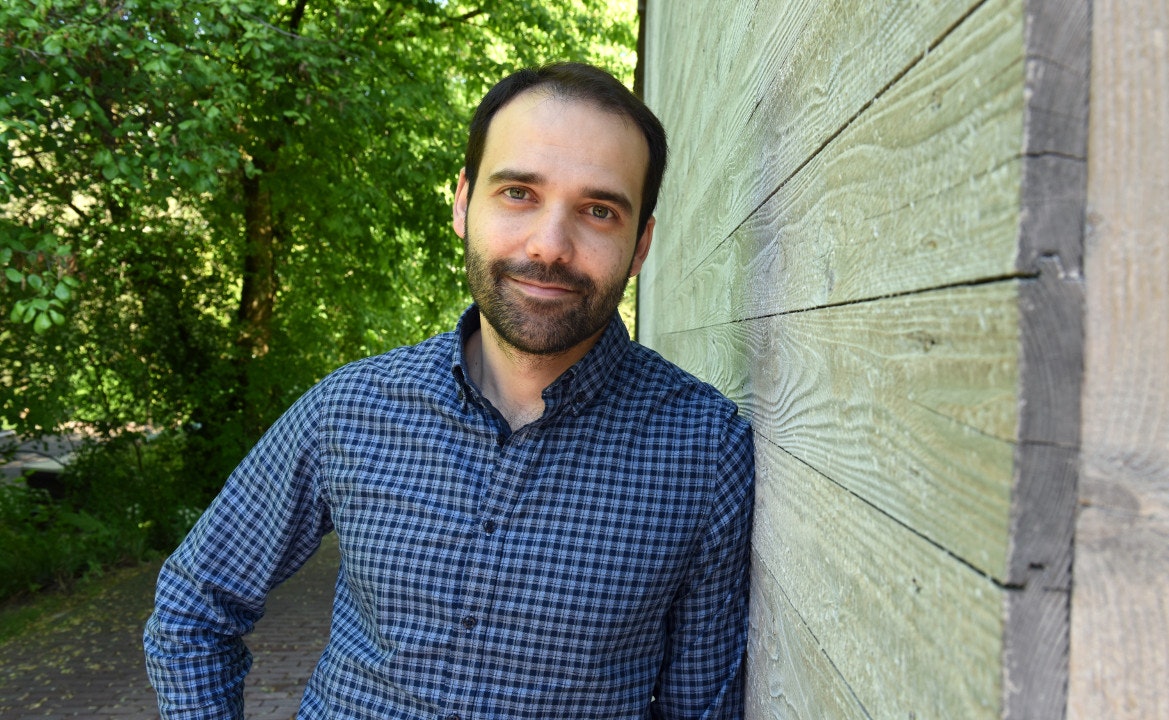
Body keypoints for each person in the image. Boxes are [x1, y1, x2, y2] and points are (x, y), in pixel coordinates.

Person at [144, 62, 755, 719]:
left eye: (599, 210)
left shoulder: (705, 452)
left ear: (640, 247)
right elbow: (193, 608)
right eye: (518, 192)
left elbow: (699, 708)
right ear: (463, 203)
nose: (550, 246)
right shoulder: (351, 407)